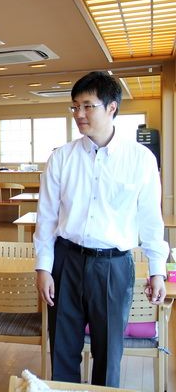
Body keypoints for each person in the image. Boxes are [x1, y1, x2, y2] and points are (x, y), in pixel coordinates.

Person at [33, 71, 169, 387]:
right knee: (62, 349)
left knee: (108, 355)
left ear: (111, 107)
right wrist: (43, 268)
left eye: (87, 106)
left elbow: (151, 219)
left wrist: (157, 271)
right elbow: (47, 218)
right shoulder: (62, 157)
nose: (79, 114)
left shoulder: (140, 159)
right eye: (75, 106)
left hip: (113, 265)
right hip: (66, 261)